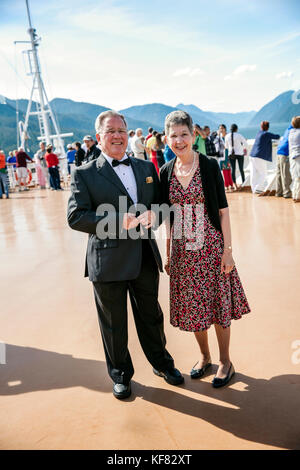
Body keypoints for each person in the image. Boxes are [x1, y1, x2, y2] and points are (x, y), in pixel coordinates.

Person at [67, 110, 183, 400]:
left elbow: (160, 207)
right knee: (113, 323)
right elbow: (76, 216)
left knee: (151, 316)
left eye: (122, 129)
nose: (117, 135)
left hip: (144, 254)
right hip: (107, 262)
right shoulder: (84, 173)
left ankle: (162, 364)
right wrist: (120, 220)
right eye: (111, 131)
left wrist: (154, 215)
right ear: (99, 137)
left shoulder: (145, 168)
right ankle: (120, 375)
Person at [160, 111, 250, 388]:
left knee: (218, 306)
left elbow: (223, 212)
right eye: (173, 136)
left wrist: (228, 251)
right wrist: (168, 253)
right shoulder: (165, 172)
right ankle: (204, 356)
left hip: (211, 247)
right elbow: (167, 217)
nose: (179, 140)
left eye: (184, 134)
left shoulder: (209, 166)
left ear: (193, 135)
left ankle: (225, 361)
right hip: (183, 252)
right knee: (194, 308)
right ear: (166, 139)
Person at [249, 121, 280, 194]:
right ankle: (258, 189)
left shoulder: (259, 133)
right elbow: (277, 136)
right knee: (264, 173)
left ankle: (254, 189)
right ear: (268, 127)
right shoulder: (266, 134)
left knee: (253, 174)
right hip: (259, 156)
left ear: (261, 127)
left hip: (252, 155)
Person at [225, 124, 247, 190]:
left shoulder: (227, 136)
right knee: (241, 169)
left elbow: (226, 146)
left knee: (233, 170)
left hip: (231, 154)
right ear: (236, 129)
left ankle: (235, 185)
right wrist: (241, 145)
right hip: (240, 153)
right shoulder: (239, 135)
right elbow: (245, 144)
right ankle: (243, 183)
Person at [275, 125, 292, 198]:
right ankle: (287, 193)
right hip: (285, 153)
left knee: (279, 173)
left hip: (279, 151)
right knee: (285, 174)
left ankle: (279, 192)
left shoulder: (288, 129)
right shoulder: (294, 131)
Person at [288, 116, 300, 202]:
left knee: (296, 177)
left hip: (293, 156)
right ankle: (298, 197)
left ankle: (295, 195)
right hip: (299, 156)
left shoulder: (291, 132)